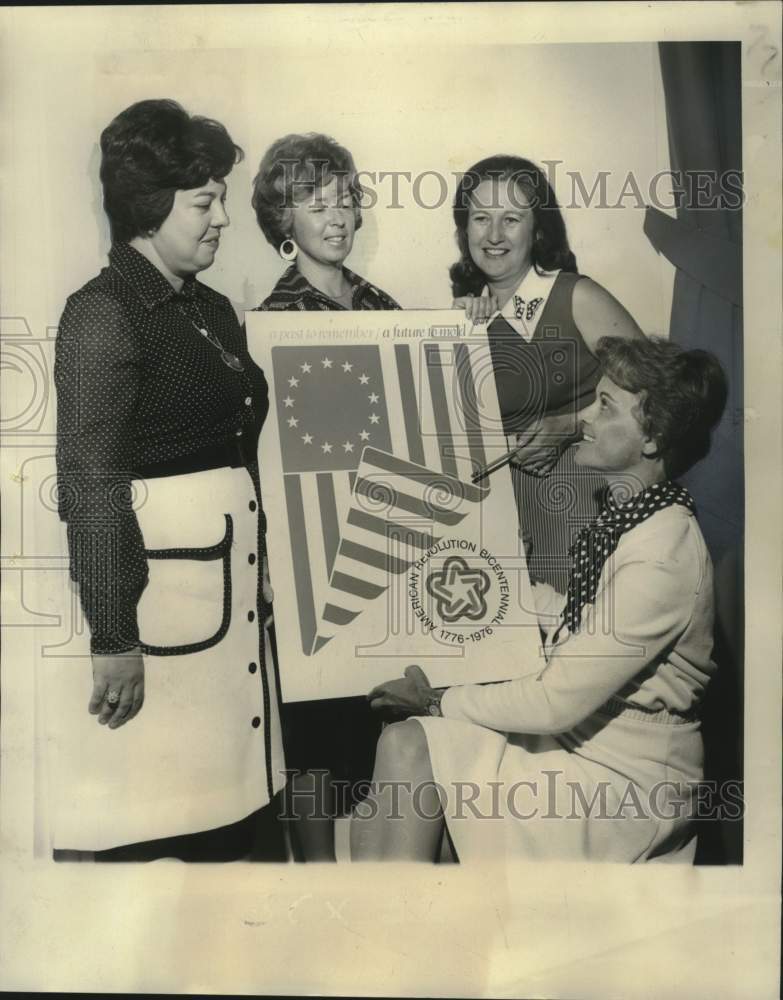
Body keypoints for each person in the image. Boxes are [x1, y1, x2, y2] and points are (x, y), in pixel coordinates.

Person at [351, 336, 728, 863]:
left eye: (605, 406)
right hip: (585, 742)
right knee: (408, 751)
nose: (584, 419)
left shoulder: (662, 555)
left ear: (654, 437)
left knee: (411, 744)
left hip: (624, 781)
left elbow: (554, 701)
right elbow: (578, 617)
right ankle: (394, 926)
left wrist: (438, 699)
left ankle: (392, 931)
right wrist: (460, 577)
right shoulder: (638, 518)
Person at [51, 99, 286, 861]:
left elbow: (242, 449)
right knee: (164, 826)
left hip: (226, 605)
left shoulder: (211, 308)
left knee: (232, 820)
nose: (222, 218)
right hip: (163, 614)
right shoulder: (103, 312)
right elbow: (90, 482)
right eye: (204, 202)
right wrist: (114, 634)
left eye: (220, 198)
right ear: (150, 210)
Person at [251, 132, 400, 861]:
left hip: (386, 544)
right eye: (315, 204)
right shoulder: (271, 319)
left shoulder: (386, 304)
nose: (337, 217)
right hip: (312, 555)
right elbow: (265, 453)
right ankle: (311, 882)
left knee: (389, 725)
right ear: (284, 221)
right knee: (314, 735)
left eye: (345, 200)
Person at [451, 155, 644, 592]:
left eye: (511, 219)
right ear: (465, 231)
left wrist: (572, 426)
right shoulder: (465, 317)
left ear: (538, 229)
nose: (494, 235)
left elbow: (659, 393)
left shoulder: (577, 296)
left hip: (589, 499)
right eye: (481, 218)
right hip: (505, 515)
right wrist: (455, 334)